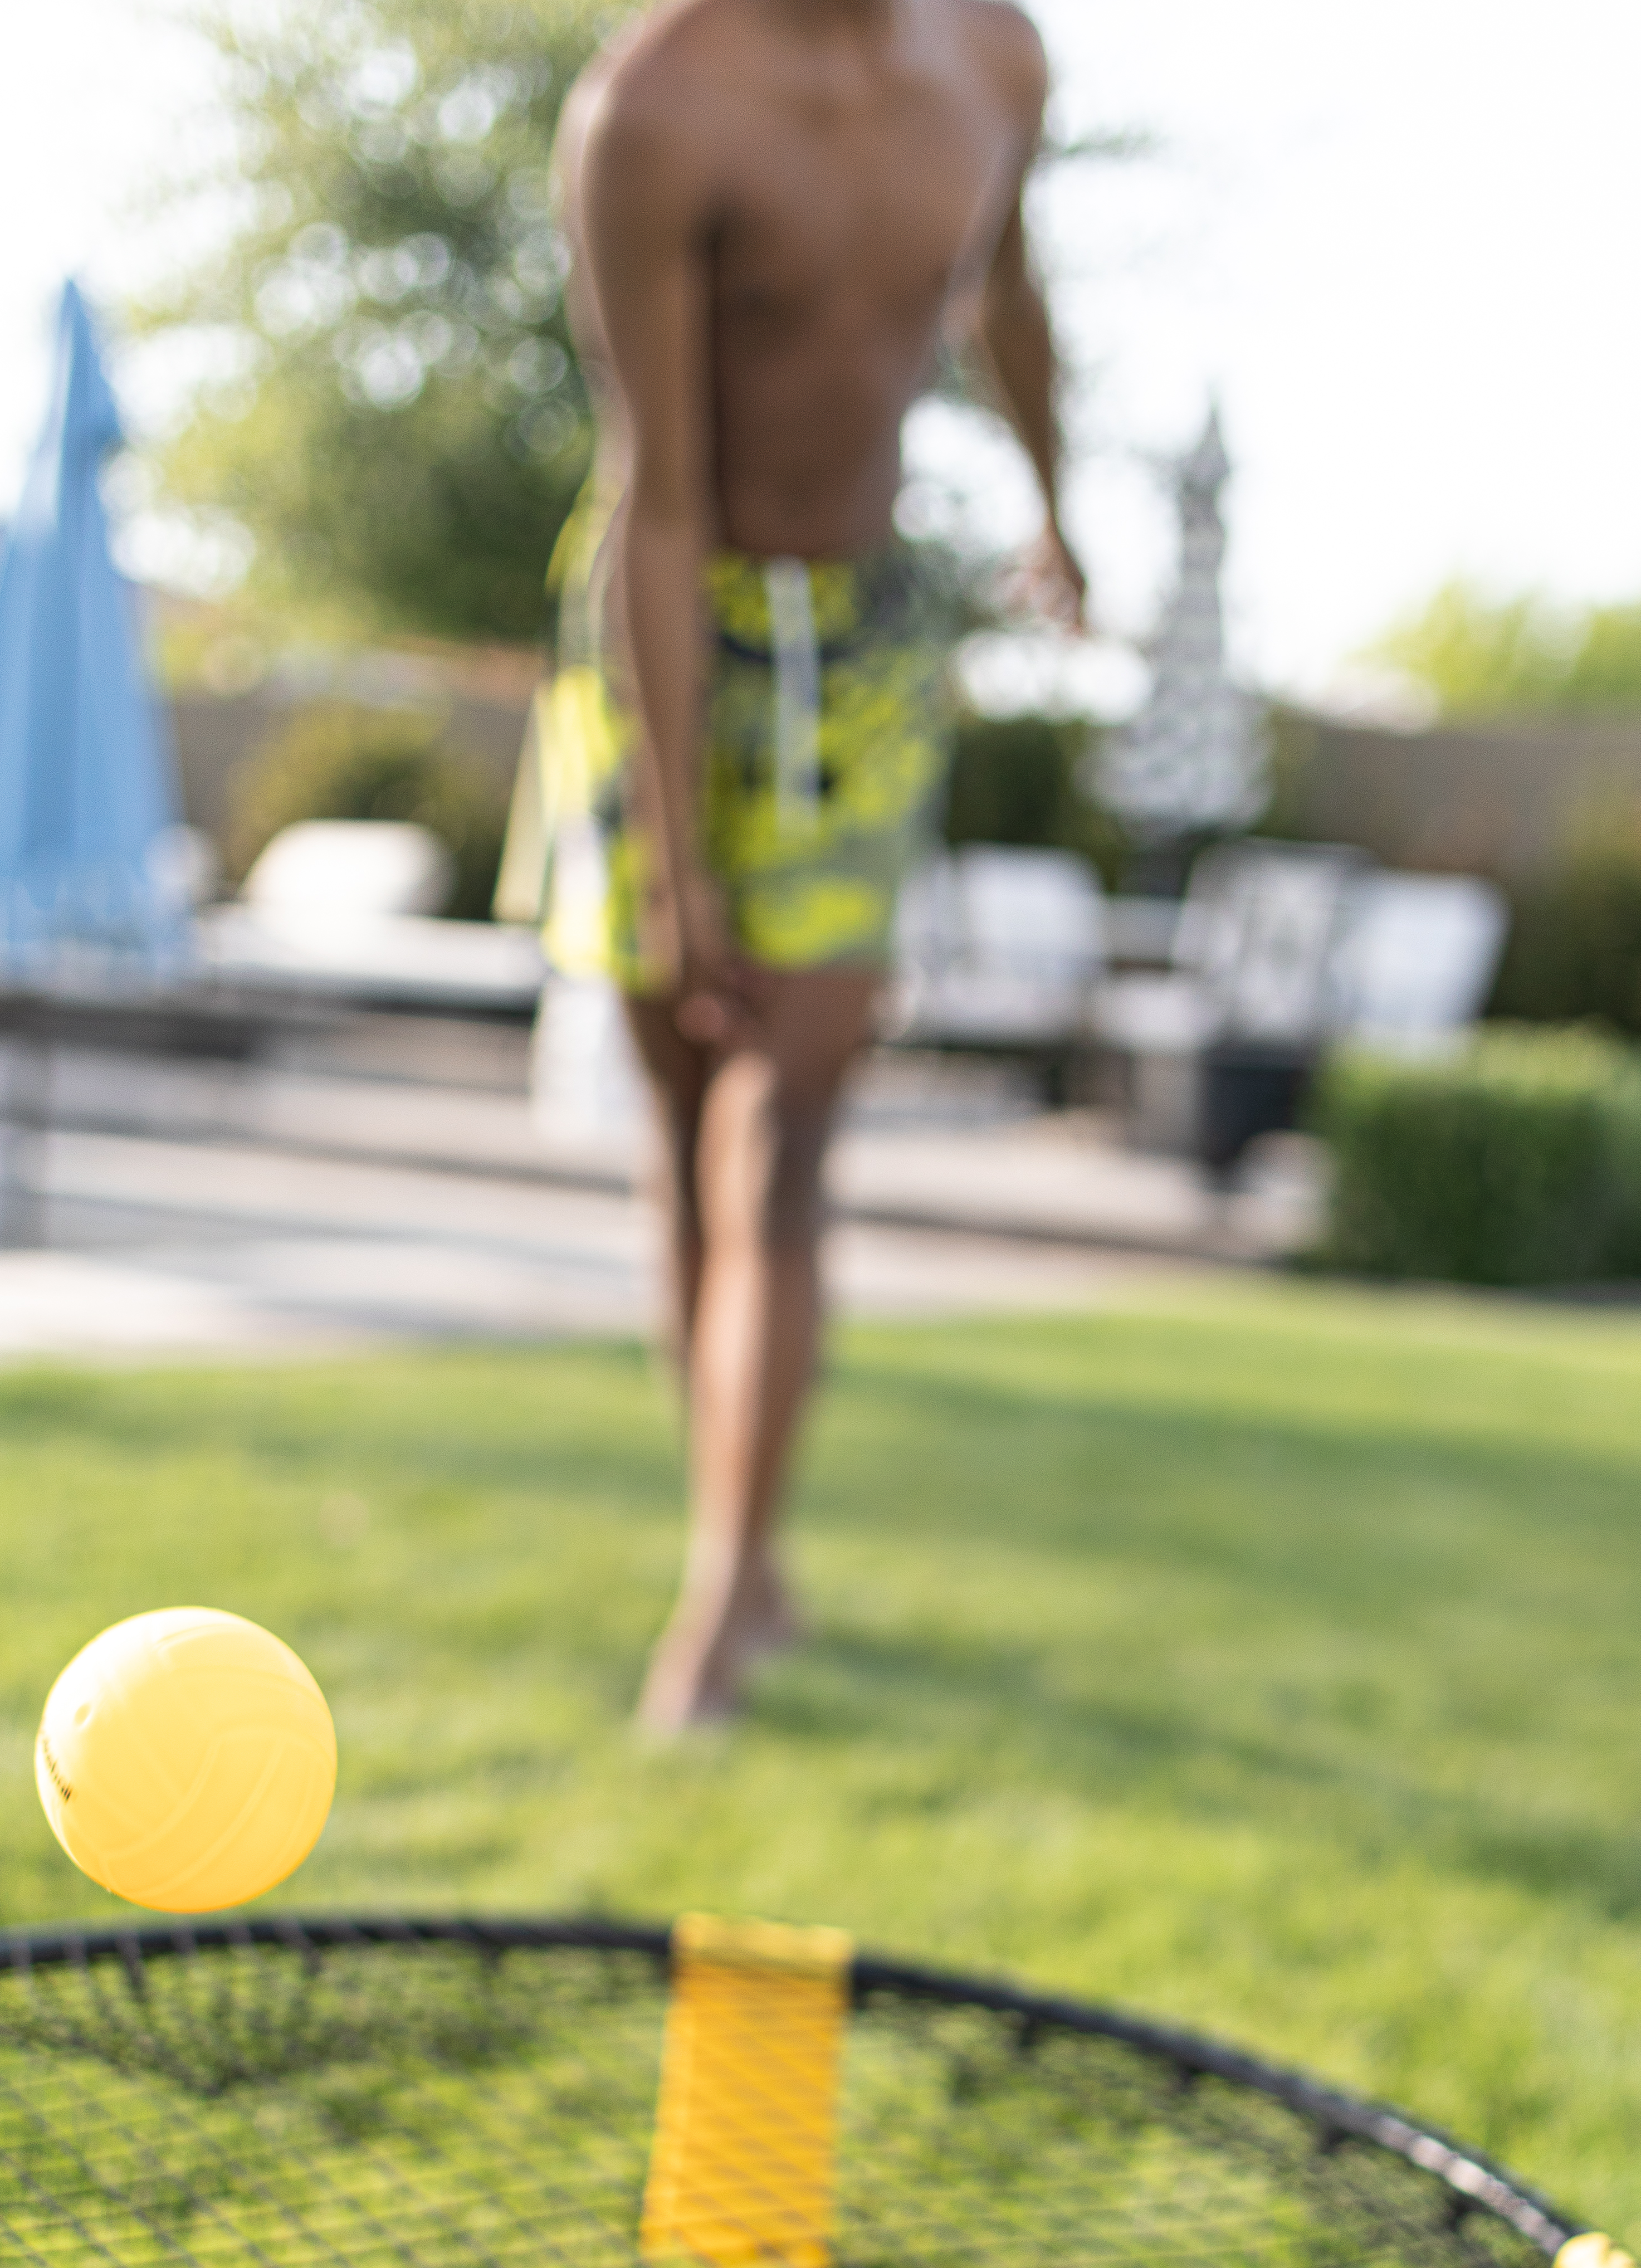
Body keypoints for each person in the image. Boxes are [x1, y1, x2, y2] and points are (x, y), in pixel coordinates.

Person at [551, 0, 1082, 1731]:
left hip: (865, 642)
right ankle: (745, 1541)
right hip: (665, 630)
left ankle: (719, 1596)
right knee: (687, 1112)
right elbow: (665, 493)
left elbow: (1004, 291)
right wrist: (685, 857)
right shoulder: (657, 108)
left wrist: (1058, 505)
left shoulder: (997, 62)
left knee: (786, 1129)